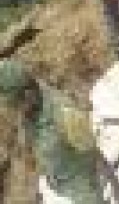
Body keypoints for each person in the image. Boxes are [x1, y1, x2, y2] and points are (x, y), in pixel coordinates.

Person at [0, 60, 102, 203]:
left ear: (28, 94)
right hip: (57, 184)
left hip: (83, 189)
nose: (15, 109)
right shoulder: (30, 110)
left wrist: (117, 187)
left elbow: (94, 152)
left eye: (16, 104)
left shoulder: (65, 114)